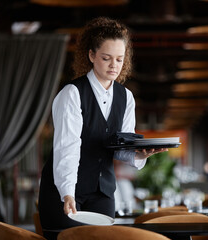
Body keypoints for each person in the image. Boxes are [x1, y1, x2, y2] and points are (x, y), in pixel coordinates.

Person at [38, 16, 167, 238]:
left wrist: (138, 154)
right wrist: (67, 193)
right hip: (65, 191)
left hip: (103, 193)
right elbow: (66, 148)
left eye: (119, 59)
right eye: (106, 58)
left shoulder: (126, 97)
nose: (114, 65)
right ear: (91, 55)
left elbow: (120, 146)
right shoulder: (72, 94)